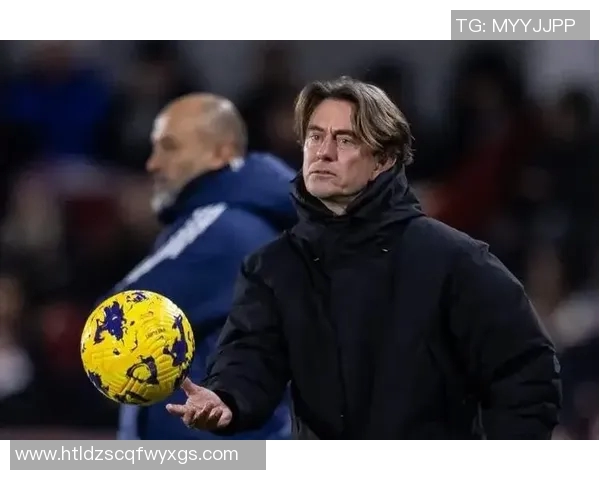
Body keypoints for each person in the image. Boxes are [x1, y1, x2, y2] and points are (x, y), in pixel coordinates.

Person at [165, 77, 562, 439]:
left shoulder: (454, 261)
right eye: (315, 137)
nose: (323, 152)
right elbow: (251, 359)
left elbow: (526, 370)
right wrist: (226, 398)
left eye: (345, 140)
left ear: (383, 160)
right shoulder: (273, 267)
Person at [110, 93, 296, 440]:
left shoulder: (222, 226)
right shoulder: (255, 223)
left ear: (221, 153)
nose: (152, 163)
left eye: (169, 147)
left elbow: (112, 319)